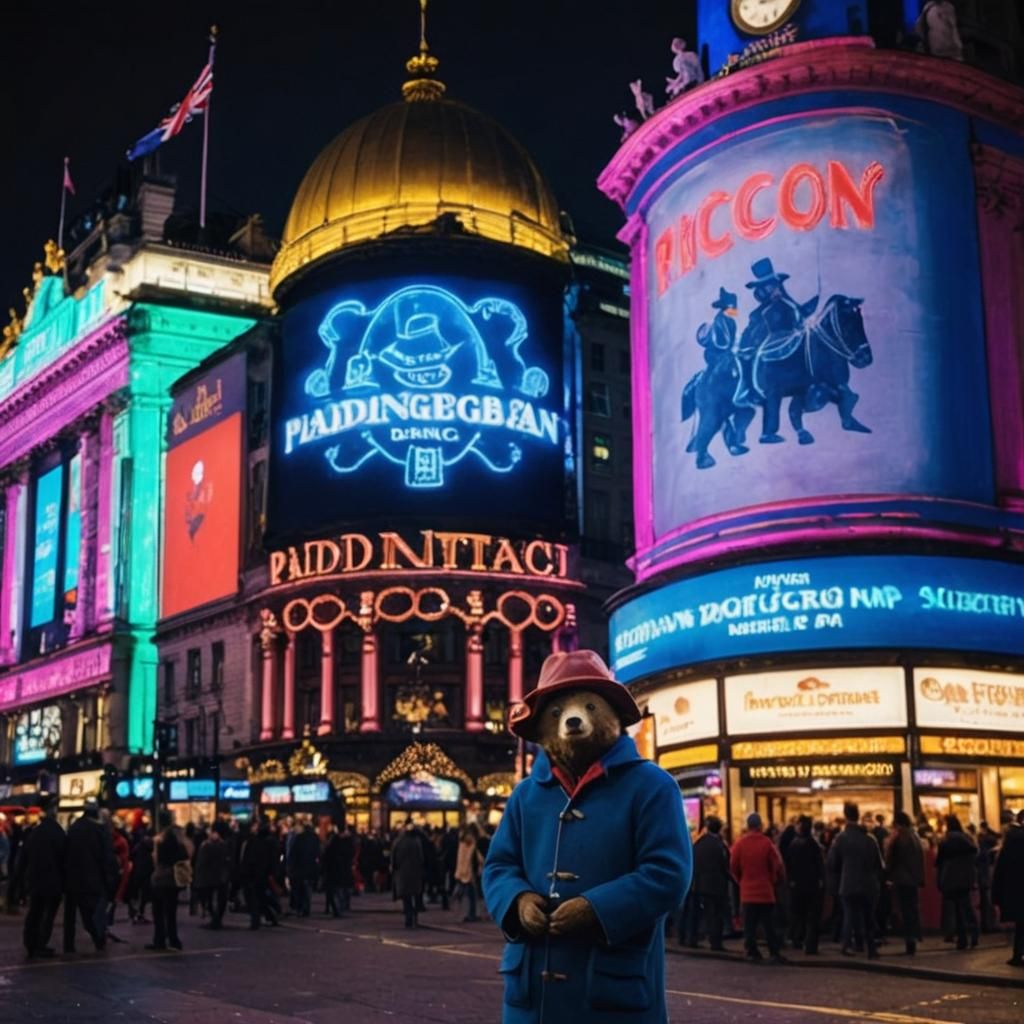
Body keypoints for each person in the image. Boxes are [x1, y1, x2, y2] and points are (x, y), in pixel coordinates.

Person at [827, 801, 884, 960]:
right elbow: (879, 864)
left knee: (849, 916)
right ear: (858, 816)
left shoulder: (840, 839)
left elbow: (832, 863)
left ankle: (847, 946)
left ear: (845, 816)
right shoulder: (870, 839)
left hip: (848, 883)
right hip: (868, 884)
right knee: (868, 916)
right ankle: (871, 949)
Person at [63, 798, 118, 954]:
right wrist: (111, 879)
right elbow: (107, 857)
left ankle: (69, 945)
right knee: (93, 913)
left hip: (74, 878)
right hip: (94, 879)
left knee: (72, 914)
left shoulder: (74, 828)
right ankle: (98, 938)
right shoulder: (100, 830)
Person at [730, 812, 785, 962]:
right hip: (766, 891)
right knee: (769, 925)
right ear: (760, 826)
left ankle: (751, 952)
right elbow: (777, 865)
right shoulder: (767, 843)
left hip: (747, 891)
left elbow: (733, 866)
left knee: (749, 926)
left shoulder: (740, 844)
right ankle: (774, 952)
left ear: (748, 826)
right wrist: (773, 879)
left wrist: (741, 880)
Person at [15, 796, 65, 958]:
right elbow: (64, 857)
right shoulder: (57, 832)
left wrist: (21, 881)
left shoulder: (35, 833)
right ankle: (40, 943)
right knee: (47, 915)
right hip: (52, 880)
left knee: (35, 912)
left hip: (35, 879)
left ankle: (31, 943)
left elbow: (24, 859)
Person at [687, 815, 731, 950]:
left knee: (698, 914)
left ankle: (693, 939)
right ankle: (715, 942)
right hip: (716, 884)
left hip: (699, 883)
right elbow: (725, 865)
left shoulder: (699, 843)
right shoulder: (719, 844)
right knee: (716, 915)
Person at [935, 815, 979, 950]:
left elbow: (939, 862)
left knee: (957, 909)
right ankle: (974, 932)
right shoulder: (967, 839)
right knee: (966, 906)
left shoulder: (945, 841)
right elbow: (975, 855)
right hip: (966, 878)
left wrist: (940, 881)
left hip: (951, 878)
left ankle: (962, 939)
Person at [885, 811, 925, 955]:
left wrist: (888, 875)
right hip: (913, 878)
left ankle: (910, 940)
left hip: (902, 878)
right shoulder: (915, 836)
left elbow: (891, 858)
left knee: (905, 910)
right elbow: (920, 859)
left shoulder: (899, 837)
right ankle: (915, 936)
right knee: (912, 909)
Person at [147, 812, 188, 951]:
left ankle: (160, 940)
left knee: (158, 911)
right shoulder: (178, 836)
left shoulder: (160, 839)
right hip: (174, 877)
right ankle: (173, 939)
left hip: (161, 878)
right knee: (171, 911)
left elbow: (157, 860)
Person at [784, 815, 825, 954]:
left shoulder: (794, 844)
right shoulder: (813, 845)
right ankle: (810, 945)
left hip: (797, 884)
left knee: (798, 914)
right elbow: (819, 865)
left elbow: (788, 864)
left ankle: (797, 940)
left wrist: (790, 880)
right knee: (812, 916)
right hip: (811, 884)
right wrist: (821, 880)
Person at [992, 810, 1024, 967]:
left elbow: (1000, 869)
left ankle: (1017, 954)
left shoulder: (1010, 841)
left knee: (1021, 923)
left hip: (1016, 890)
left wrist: (997, 894)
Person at [241, 818, 279, 930]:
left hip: (255, 874)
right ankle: (270, 916)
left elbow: (249, 859)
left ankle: (256, 921)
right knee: (261, 897)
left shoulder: (254, 842)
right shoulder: (269, 842)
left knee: (254, 898)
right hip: (263, 874)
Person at [194, 821, 231, 929]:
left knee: (209, 898)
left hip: (208, 876)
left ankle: (214, 919)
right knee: (220, 898)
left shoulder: (206, 845)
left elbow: (201, 862)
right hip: (221, 875)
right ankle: (217, 919)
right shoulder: (225, 844)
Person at [392, 821, 425, 928]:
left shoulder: (399, 841)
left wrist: (394, 868)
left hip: (403, 873)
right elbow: (421, 858)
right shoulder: (417, 842)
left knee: (406, 897)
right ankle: (415, 917)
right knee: (415, 895)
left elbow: (394, 857)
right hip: (415, 872)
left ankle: (408, 918)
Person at [287, 819, 320, 918]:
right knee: (307, 888)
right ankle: (306, 908)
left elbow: (293, 853)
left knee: (300, 889)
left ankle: (300, 908)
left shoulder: (299, 838)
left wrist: (291, 866)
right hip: (310, 867)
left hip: (300, 867)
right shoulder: (315, 838)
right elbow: (318, 852)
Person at [454, 827, 483, 923]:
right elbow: (476, 861)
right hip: (468, 874)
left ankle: (469, 914)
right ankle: (470, 914)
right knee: (469, 896)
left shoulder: (462, 845)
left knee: (468, 896)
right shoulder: (471, 846)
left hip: (465, 874)